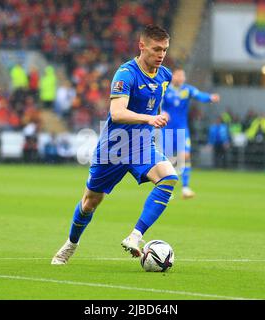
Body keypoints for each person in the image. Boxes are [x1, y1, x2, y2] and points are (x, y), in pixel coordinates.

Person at [52, 25, 178, 265]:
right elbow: (117, 113)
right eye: (156, 49)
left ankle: (135, 236)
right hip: (114, 148)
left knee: (169, 177)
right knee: (90, 202)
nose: (161, 54)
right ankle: (71, 244)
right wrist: (149, 118)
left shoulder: (165, 76)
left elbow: (154, 103)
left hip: (141, 145)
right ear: (142, 46)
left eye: (165, 49)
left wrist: (155, 119)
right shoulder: (126, 74)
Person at [161, 68, 220, 199]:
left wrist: (211, 97)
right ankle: (166, 190)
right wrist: (161, 113)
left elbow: (200, 96)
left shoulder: (187, 90)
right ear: (173, 76)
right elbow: (156, 105)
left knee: (185, 156)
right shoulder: (164, 89)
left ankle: (185, 188)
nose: (181, 78)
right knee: (169, 160)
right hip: (167, 130)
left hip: (182, 129)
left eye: (183, 75)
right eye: (178, 75)